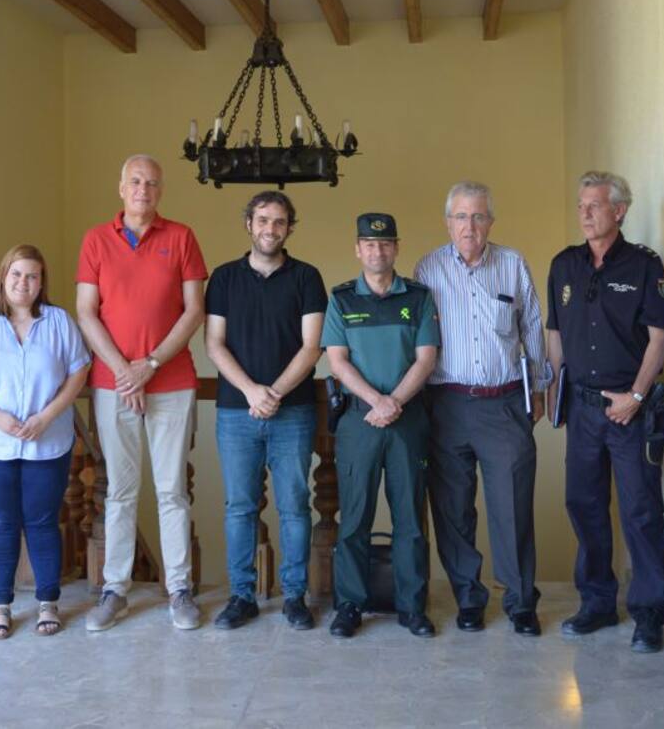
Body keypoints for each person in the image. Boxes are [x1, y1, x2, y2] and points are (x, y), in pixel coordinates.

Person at [76, 155, 207, 631]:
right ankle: (115, 590)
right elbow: (87, 312)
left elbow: (193, 311)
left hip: (171, 383)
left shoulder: (181, 237)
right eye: (135, 181)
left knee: (172, 489)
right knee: (121, 491)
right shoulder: (96, 240)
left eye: (151, 183)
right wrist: (124, 372)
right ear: (120, 186)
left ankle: (179, 590)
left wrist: (148, 366)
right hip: (113, 386)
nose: (143, 189)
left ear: (160, 191)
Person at [546, 171, 664, 653]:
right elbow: (554, 334)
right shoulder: (564, 265)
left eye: (594, 205)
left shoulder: (644, 266)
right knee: (584, 505)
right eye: (580, 205)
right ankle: (597, 602)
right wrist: (553, 388)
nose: (584, 213)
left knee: (641, 511)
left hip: (629, 408)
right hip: (581, 409)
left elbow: (661, 336)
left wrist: (637, 396)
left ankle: (647, 613)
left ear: (619, 211)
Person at [414, 181, 548, 637]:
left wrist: (541, 389)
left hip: (504, 402)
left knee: (512, 506)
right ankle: (468, 599)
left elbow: (532, 327)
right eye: (460, 217)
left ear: (490, 221)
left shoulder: (511, 265)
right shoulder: (427, 268)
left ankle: (521, 601)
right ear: (447, 222)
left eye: (477, 217)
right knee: (452, 509)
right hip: (446, 403)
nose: (469, 227)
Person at [0, 244, 90, 639]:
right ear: (3, 276)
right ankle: (1, 606)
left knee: (43, 522)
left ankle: (47, 603)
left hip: (48, 440)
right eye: (16, 275)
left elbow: (78, 372)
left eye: (32, 276)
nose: (23, 283)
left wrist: (46, 416)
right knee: (0, 523)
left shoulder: (59, 322)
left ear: (42, 282)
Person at [204, 191, 326, 631]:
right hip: (236, 411)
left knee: (295, 505)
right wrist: (252, 391)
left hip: (292, 411)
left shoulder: (307, 278)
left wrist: (272, 391)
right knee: (239, 507)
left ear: (289, 227)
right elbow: (213, 343)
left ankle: (295, 597)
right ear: (249, 224)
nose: (270, 229)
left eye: (279, 222)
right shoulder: (223, 278)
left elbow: (312, 347)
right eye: (262, 220)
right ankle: (242, 596)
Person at [322, 212, 440, 639]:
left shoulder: (420, 297)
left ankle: (412, 607)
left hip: (408, 421)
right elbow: (337, 360)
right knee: (354, 517)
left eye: (386, 243)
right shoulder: (341, 299)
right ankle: (350, 605)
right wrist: (377, 401)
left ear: (396, 247)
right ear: (357, 249)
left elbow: (426, 359)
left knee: (410, 516)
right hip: (359, 420)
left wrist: (395, 402)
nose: (378, 251)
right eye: (369, 244)